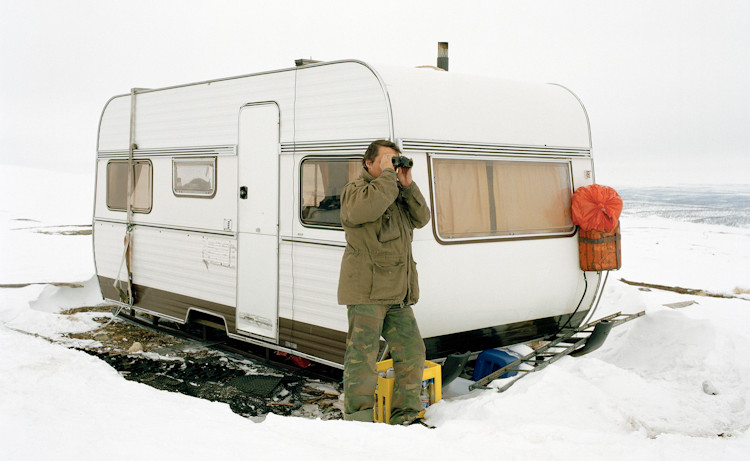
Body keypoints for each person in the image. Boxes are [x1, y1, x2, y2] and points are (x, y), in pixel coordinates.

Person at [337, 140, 431, 424]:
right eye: (387, 160)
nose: (393, 164)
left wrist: (408, 185)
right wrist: (390, 177)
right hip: (367, 291)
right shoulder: (356, 191)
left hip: (396, 292)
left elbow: (422, 218)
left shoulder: (396, 190)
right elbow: (366, 210)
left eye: (396, 160)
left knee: (412, 352)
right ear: (368, 163)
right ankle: (360, 421)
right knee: (362, 359)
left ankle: (406, 415)